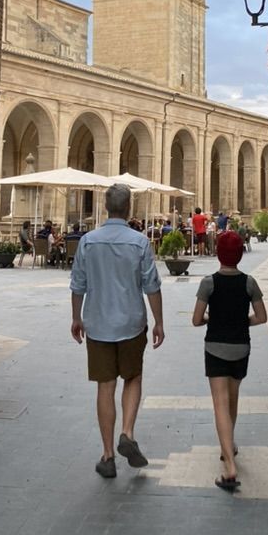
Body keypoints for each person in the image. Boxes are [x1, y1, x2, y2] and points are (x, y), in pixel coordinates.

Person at [70, 183, 165, 478]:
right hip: (131, 323)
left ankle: (108, 455)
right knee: (133, 377)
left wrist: (76, 318)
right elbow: (152, 286)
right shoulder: (139, 242)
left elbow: (78, 285)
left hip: (97, 324)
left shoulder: (88, 241)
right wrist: (159, 321)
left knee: (105, 386)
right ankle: (127, 432)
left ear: (106, 207)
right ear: (129, 209)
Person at [192, 229, 267, 492]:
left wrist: (212, 319)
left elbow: (196, 319)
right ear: (239, 255)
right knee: (232, 401)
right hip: (241, 348)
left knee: (220, 406)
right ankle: (229, 446)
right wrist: (242, 321)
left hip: (215, 348)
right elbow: (262, 317)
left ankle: (230, 467)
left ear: (218, 254)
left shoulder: (209, 283)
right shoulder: (249, 282)